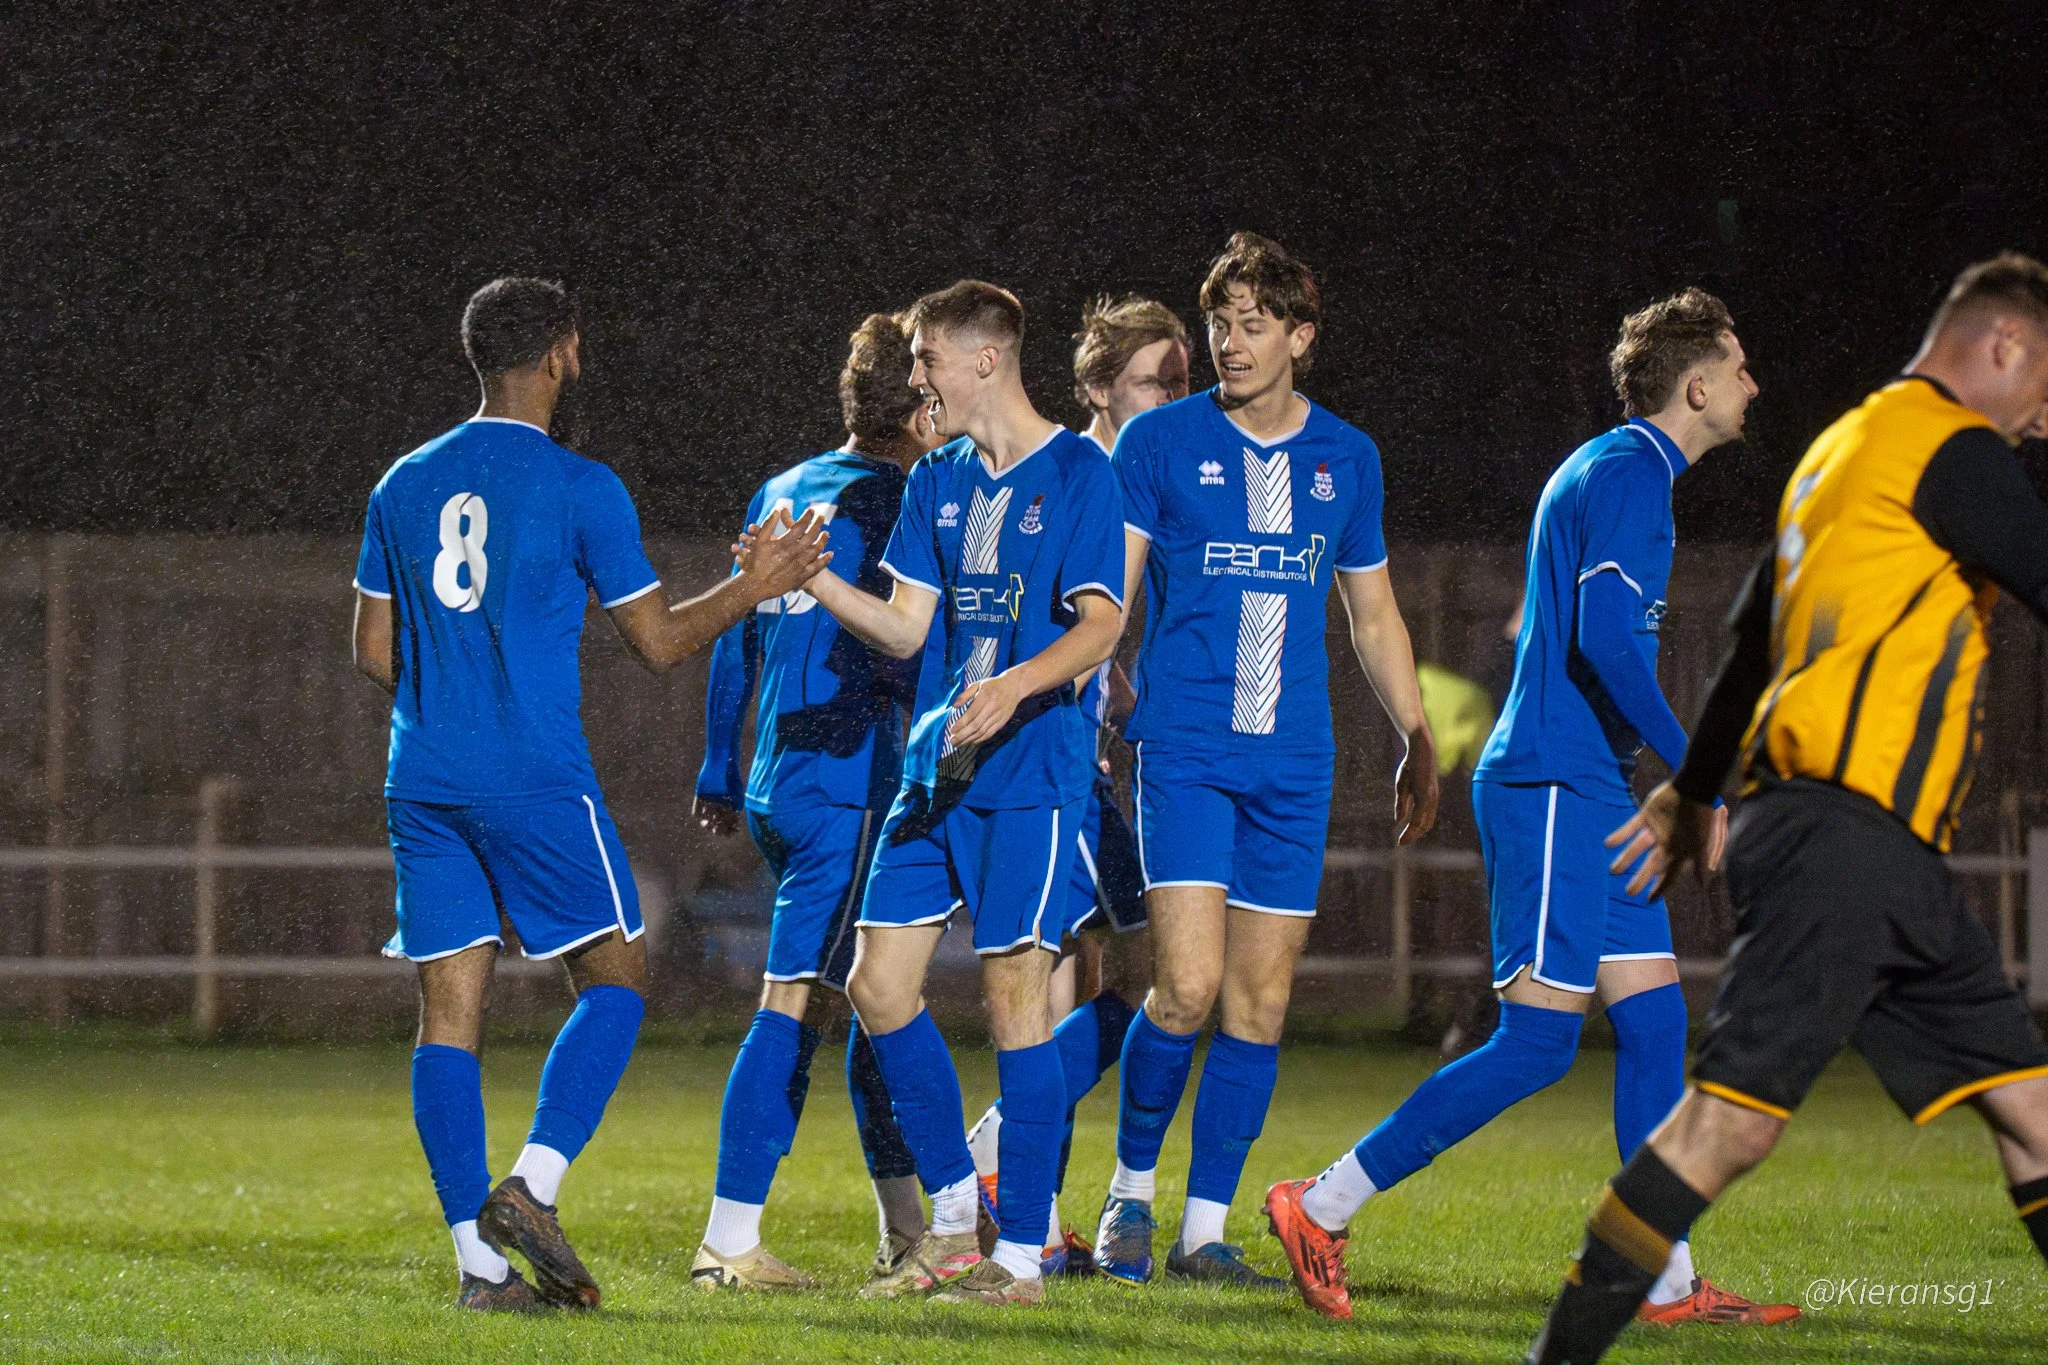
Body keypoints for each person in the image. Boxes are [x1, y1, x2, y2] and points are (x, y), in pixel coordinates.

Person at [1527, 254, 2048, 1363]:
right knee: (1727, 1127)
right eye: (2042, 376)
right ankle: (1557, 1354)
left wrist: (1692, 790)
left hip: (1864, 848)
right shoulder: (1949, 449)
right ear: (1999, 346)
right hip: (1839, 839)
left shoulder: (1838, 457)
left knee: (2030, 1111)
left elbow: (1746, 646)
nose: (2041, 409)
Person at [1267, 288, 1795, 1325]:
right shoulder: (1629, 476)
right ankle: (1320, 1204)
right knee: (1538, 1043)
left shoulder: (1624, 472)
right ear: (1696, 385)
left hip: (1589, 786)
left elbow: (1600, 646)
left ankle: (1661, 1278)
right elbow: (1602, 640)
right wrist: (1697, 779)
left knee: (1651, 1027)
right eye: (1737, 367)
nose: (1750, 384)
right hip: (1553, 784)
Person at [350, 277, 829, 1313]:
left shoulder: (402, 481)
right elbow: (658, 643)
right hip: (533, 778)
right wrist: (755, 582)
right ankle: (534, 1185)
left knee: (448, 1017)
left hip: (422, 778)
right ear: (562, 354)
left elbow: (373, 647)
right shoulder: (581, 487)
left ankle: (480, 1273)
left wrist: (455, 697)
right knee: (617, 977)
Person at [1095, 233, 1440, 1288]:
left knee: (1259, 1005)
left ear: (1300, 335)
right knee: (1186, 988)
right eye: (1220, 324)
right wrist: (1087, 681)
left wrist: (1415, 734)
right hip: (1185, 748)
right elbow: (1110, 588)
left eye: (1253, 324)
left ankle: (1204, 1233)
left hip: (1291, 761)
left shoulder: (1348, 457)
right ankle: (1127, 1200)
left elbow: (1371, 614)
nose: (1230, 345)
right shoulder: (1156, 446)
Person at [802, 280, 1127, 1307]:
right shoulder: (936, 478)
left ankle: (1021, 1259)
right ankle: (950, 1220)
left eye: (926, 359)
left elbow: (1099, 624)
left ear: (984, 360)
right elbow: (905, 630)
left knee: (1013, 1012)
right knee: (875, 985)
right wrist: (804, 579)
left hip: (1031, 780)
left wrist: (1015, 686)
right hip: (937, 775)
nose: (915, 380)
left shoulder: (1077, 473)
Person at [688, 313, 944, 1291]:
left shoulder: (784, 488)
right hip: (852, 786)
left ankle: (907, 1228)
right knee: (794, 1002)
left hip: (775, 777)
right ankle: (728, 1240)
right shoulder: (903, 503)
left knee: (877, 993)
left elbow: (733, 637)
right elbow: (906, 643)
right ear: (918, 409)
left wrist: (717, 765)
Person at [964, 295, 1190, 1274]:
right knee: (1136, 982)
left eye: (1183, 381)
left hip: (1071, 756)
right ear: (1098, 388)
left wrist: (1117, 684)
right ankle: (1002, 1152)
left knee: (1092, 983)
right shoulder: (1095, 476)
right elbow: (1058, 621)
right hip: (1056, 768)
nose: (1177, 398)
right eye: (1156, 381)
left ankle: (1037, 1218)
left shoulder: (1109, 474)